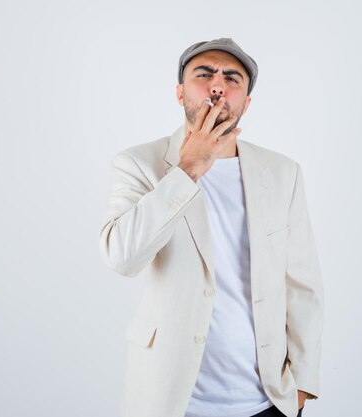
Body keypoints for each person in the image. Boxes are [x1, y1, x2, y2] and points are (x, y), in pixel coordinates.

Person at [99, 37, 324, 417]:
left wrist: (302, 384)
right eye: (204, 74)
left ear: (246, 102)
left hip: (268, 399)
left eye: (232, 78)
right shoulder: (138, 164)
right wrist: (187, 170)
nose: (218, 85)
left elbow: (302, 284)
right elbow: (122, 258)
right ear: (180, 92)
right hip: (171, 401)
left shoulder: (283, 173)